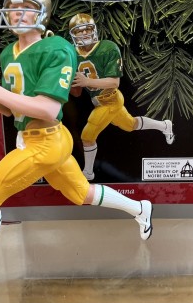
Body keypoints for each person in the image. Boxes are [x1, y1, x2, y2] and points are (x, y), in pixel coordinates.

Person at [0, 0, 154, 278]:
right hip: (39, 138)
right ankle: (140, 209)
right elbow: (14, 109)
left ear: (41, 14)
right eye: (13, 7)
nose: (16, 13)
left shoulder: (57, 48)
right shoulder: (9, 52)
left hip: (46, 142)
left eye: (25, 8)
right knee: (82, 193)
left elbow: (48, 109)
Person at [69, 13, 175, 181]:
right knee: (130, 125)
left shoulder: (107, 48)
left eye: (87, 29)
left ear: (94, 29)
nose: (84, 33)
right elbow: (77, 92)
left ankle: (88, 173)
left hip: (110, 99)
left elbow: (114, 82)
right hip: (98, 101)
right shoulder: (72, 53)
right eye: (79, 31)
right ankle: (164, 126)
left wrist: (87, 81)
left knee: (87, 136)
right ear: (73, 34)